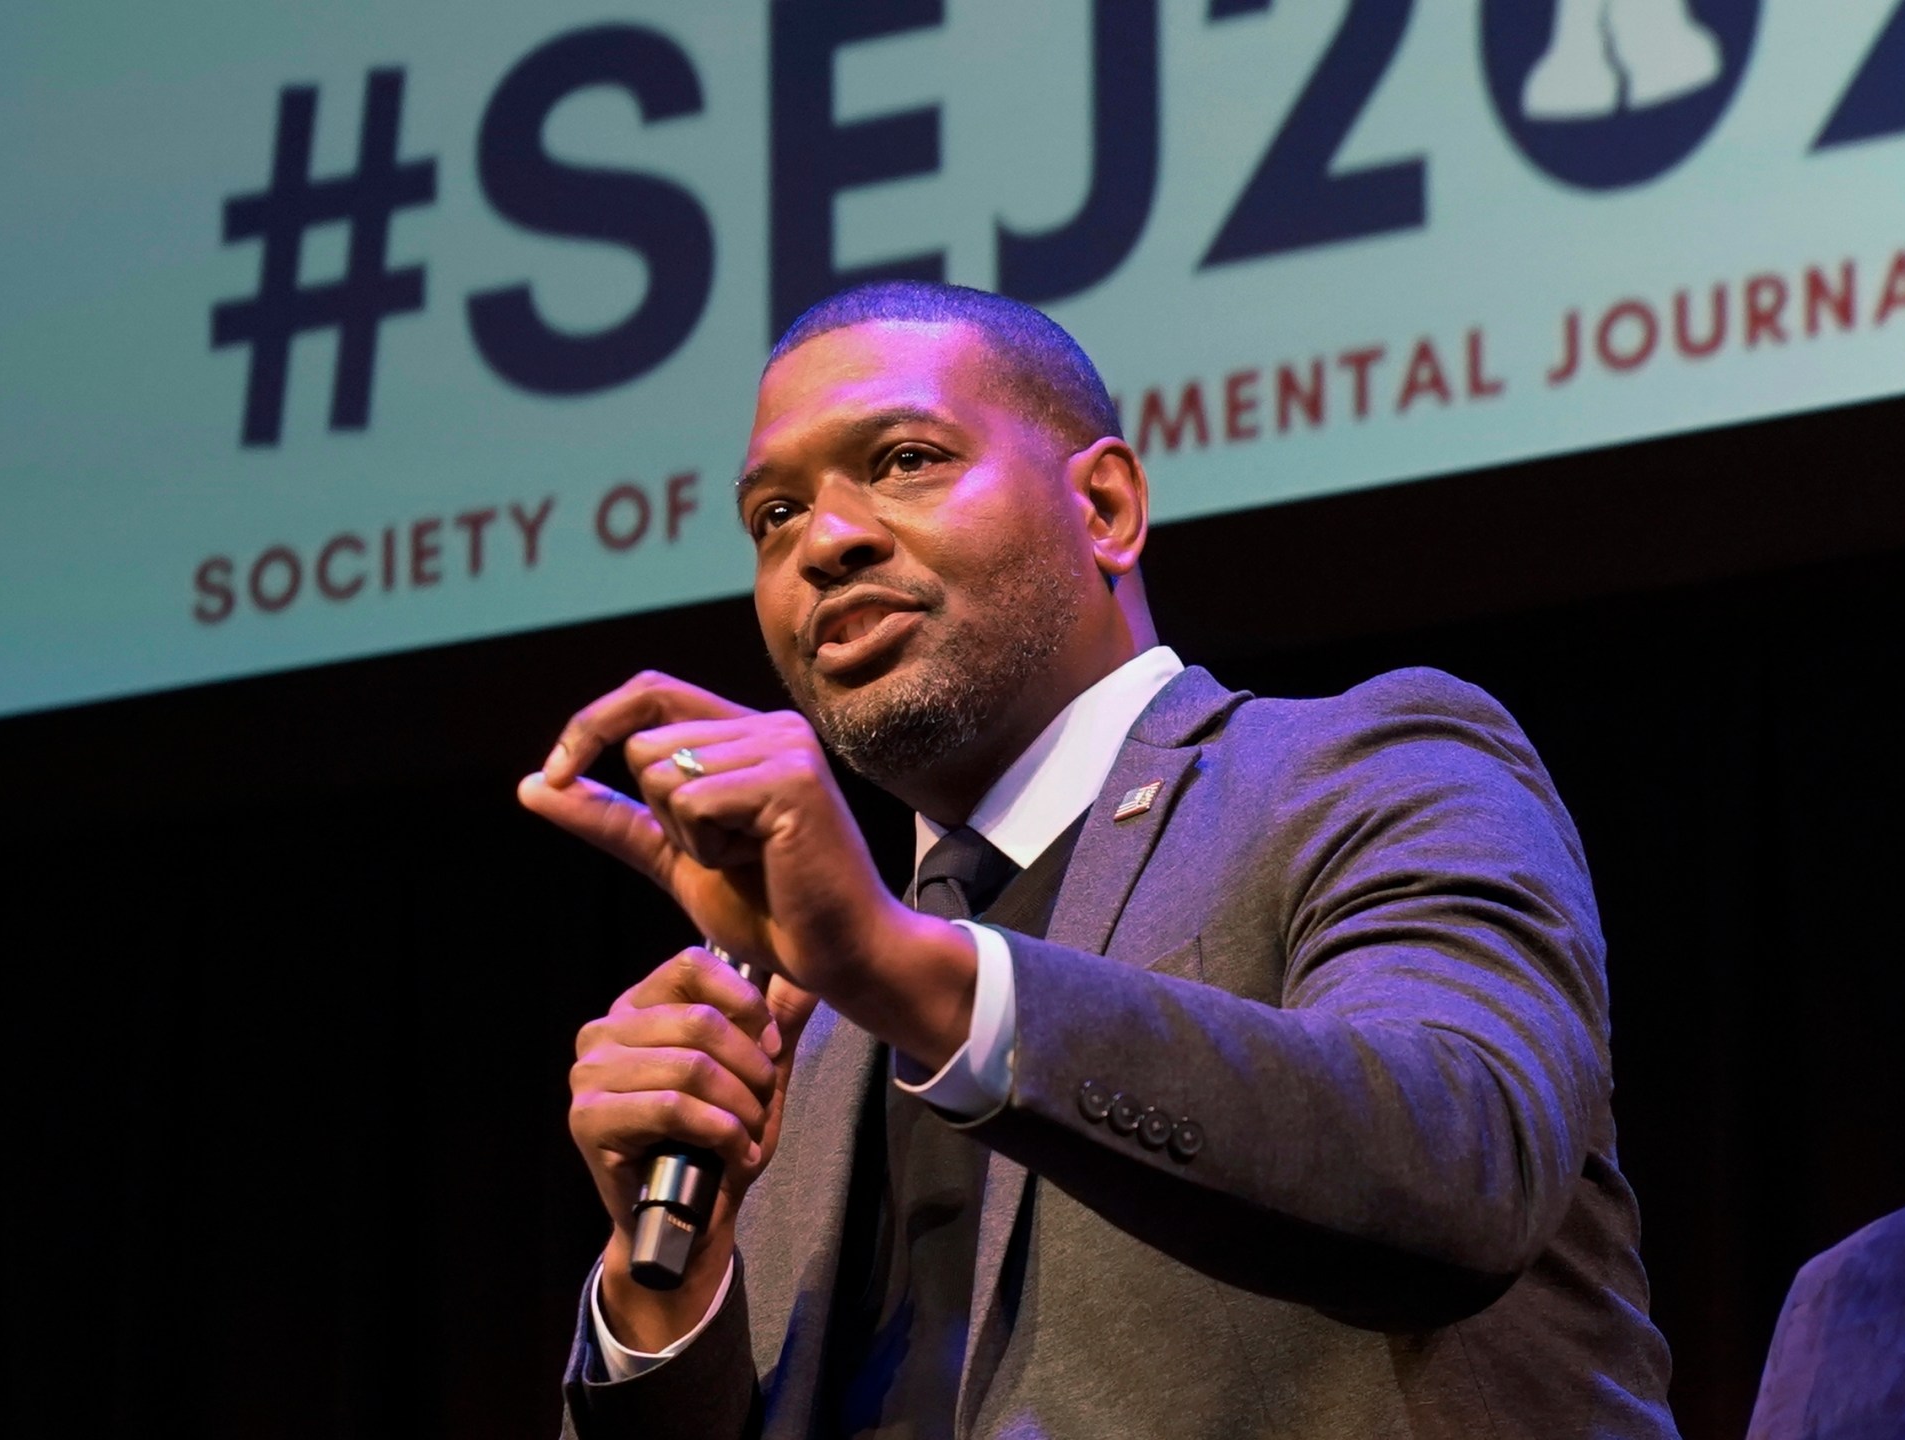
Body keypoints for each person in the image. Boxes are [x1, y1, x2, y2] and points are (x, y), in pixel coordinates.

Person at [520, 281, 1678, 1439]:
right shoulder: (803, 1035)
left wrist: (902, 971)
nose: (825, 540)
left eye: (908, 458)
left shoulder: (1359, 766)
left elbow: (1460, 1170)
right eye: (772, 515)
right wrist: (659, 1288)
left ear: (1107, 505)